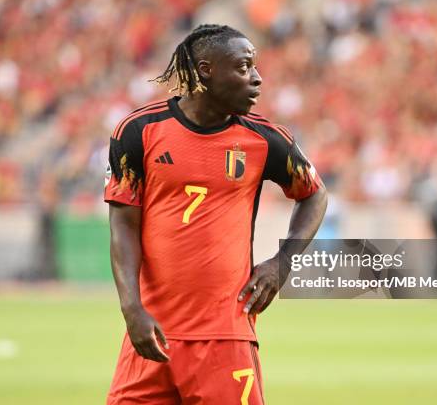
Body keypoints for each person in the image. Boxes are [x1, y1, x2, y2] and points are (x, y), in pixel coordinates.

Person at [104, 24, 327, 404]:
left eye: (255, 67)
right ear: (206, 70)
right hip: (151, 331)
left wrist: (282, 263)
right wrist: (131, 308)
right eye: (243, 68)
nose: (256, 78)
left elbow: (314, 195)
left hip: (225, 334)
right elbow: (123, 224)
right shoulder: (138, 132)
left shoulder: (265, 139)